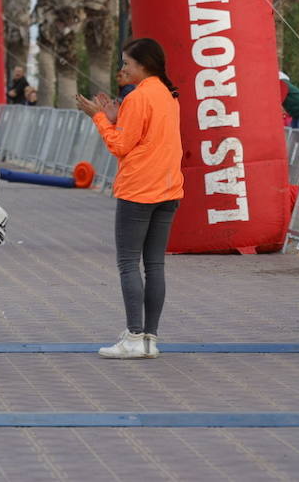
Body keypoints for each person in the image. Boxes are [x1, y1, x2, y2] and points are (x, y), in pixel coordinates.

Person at [76, 37, 184, 359]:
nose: (122, 69)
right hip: (168, 188)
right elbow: (140, 137)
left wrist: (98, 118)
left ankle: (134, 337)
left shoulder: (139, 97)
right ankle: (149, 338)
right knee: (154, 265)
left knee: (128, 263)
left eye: (127, 63)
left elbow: (120, 146)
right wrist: (114, 119)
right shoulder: (168, 96)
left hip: (139, 190)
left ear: (144, 65)